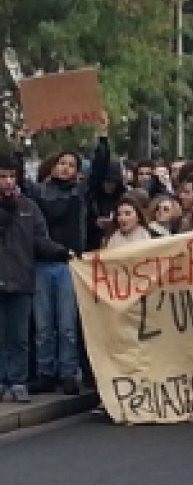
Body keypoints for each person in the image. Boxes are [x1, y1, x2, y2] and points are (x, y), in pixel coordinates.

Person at [26, 138, 108, 396]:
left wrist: (102, 139)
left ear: (77, 171)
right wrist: (22, 145)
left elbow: (99, 171)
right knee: (43, 325)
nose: (65, 168)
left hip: (69, 263)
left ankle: (68, 373)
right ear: (53, 167)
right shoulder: (39, 193)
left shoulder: (80, 193)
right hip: (42, 262)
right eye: (61, 163)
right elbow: (19, 181)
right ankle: (45, 373)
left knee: (67, 324)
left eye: (71, 165)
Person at [0, 154, 69, 402]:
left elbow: (40, 240)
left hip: (20, 279)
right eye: (2, 176)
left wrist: (61, 251)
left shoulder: (28, 207)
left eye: (11, 176)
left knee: (18, 336)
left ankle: (17, 381)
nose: (7, 182)